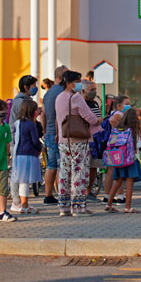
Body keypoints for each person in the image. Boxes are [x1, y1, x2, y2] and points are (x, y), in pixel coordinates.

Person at [55, 70, 102, 217]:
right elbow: (90, 117)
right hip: (79, 139)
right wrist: (99, 120)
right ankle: (78, 207)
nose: (79, 83)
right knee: (79, 172)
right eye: (77, 81)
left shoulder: (59, 97)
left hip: (64, 139)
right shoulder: (76, 98)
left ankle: (64, 206)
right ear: (69, 83)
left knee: (64, 171)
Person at [104, 108, 141, 214]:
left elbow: (112, 142)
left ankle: (108, 204)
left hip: (118, 158)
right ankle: (128, 207)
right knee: (130, 182)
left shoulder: (117, 129)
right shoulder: (134, 130)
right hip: (131, 159)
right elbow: (140, 144)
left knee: (118, 181)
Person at [10, 99, 43, 214]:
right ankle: (25, 206)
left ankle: (21, 204)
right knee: (25, 181)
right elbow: (35, 140)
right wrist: (40, 148)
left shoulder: (17, 122)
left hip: (18, 154)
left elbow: (15, 138)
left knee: (21, 180)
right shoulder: (31, 124)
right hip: (29, 154)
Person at [41, 65, 68, 205]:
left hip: (50, 133)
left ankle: (48, 195)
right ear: (59, 77)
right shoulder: (63, 92)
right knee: (61, 164)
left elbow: (43, 114)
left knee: (51, 165)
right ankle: (62, 194)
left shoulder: (48, 93)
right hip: (60, 133)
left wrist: (45, 131)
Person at [80, 79, 104, 202]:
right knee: (85, 167)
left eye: (95, 89)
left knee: (94, 166)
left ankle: (89, 191)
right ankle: (82, 192)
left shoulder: (94, 103)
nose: (94, 92)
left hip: (96, 139)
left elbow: (98, 116)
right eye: (92, 90)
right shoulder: (81, 103)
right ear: (84, 90)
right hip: (86, 139)